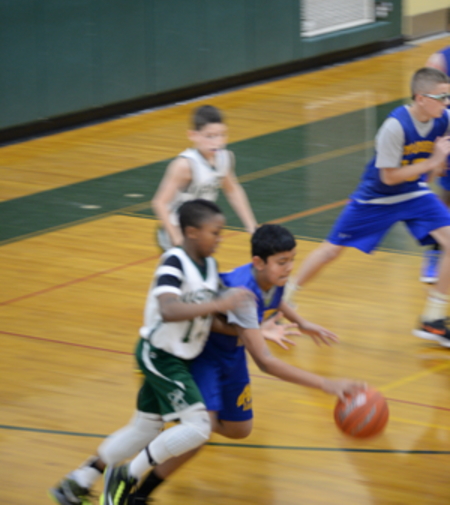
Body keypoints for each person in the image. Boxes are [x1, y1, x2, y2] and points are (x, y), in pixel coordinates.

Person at [102, 224, 365, 505]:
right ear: (258, 263)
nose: (289, 268)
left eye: (292, 260)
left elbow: (275, 298)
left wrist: (301, 321)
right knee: (199, 433)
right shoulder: (243, 293)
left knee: (240, 429)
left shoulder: (271, 278)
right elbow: (266, 362)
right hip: (205, 356)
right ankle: (139, 492)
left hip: (233, 356)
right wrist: (326, 384)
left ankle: (189, 419)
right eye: (282, 262)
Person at [49, 199, 250, 505]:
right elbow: (168, 309)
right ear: (192, 232)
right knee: (199, 428)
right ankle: (126, 475)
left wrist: (251, 330)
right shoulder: (173, 261)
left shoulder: (209, 267)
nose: (220, 238)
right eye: (215, 232)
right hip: (160, 356)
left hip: (179, 358)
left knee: (143, 429)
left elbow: (208, 316)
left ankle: (77, 482)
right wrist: (219, 303)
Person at [288, 67, 450, 347]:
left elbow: (431, 166)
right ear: (421, 98)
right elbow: (389, 177)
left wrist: (434, 170)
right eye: (441, 97)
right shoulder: (395, 127)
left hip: (413, 193)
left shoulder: (443, 119)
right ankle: (283, 297)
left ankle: (433, 319)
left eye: (448, 96)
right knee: (331, 250)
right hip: (377, 197)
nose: (446, 102)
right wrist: (433, 162)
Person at [151, 104, 257, 250]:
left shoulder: (224, 158)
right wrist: (177, 239)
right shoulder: (184, 165)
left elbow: (232, 191)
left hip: (201, 230)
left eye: (222, 135)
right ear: (193, 135)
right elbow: (159, 203)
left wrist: (251, 226)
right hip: (176, 229)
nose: (217, 142)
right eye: (210, 136)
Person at [419, 44, 450, 283]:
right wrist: (434, 150)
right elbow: (427, 104)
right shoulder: (440, 61)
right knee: (447, 197)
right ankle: (436, 250)